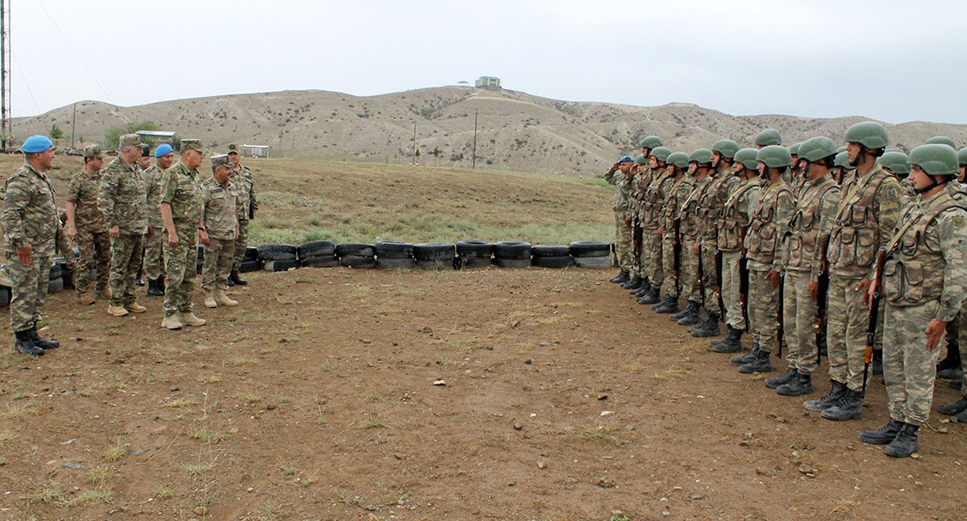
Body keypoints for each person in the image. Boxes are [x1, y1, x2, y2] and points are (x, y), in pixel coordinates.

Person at [858, 144, 967, 457]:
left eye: (918, 170)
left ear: (937, 174)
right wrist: (877, 279)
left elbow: (959, 272)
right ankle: (896, 419)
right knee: (894, 367)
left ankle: (911, 430)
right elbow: (893, 250)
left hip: (923, 308)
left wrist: (944, 317)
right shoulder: (914, 207)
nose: (912, 175)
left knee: (918, 370)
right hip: (897, 300)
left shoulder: (952, 216)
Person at [806, 122, 902, 421]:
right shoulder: (850, 183)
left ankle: (853, 396)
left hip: (861, 278)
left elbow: (889, 239)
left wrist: (874, 276)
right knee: (836, 333)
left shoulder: (886, 186)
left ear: (867, 149)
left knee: (856, 336)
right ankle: (838, 386)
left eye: (852, 145)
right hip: (841, 271)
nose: (846, 149)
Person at [769, 137, 841, 395]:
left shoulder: (831, 194)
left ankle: (805, 374)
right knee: (790, 323)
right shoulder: (806, 188)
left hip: (808, 270)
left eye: (805, 162)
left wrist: (815, 277)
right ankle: (794, 367)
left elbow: (825, 241)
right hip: (794, 265)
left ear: (820, 161)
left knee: (804, 324)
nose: (800, 166)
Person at [735, 146, 794, 374]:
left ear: (772, 165)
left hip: (769, 262)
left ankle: (764, 353)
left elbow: (783, 234)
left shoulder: (782, 194)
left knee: (766, 309)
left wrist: (778, 266)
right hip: (757, 257)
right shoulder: (768, 190)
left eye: (761, 164)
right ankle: (757, 347)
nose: (757, 167)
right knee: (755, 307)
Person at [1, 135, 60, 356]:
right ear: (37, 154)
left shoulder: (41, 178)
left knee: (37, 292)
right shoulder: (22, 179)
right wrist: (21, 243)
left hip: (42, 247)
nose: (54, 154)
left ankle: (32, 332)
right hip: (26, 249)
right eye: (50, 150)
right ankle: (21, 338)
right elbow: (10, 215)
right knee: (24, 292)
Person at [711, 148, 762, 354]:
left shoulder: (754, 190)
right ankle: (732, 330)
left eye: (739, 163)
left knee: (735, 292)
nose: (734, 166)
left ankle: (736, 333)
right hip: (729, 246)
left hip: (739, 250)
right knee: (728, 290)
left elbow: (753, 224)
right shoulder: (742, 187)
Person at [690, 139, 740, 337]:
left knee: (715, 282)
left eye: (716, 155)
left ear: (726, 158)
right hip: (708, 238)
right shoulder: (717, 180)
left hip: (719, 241)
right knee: (708, 279)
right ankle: (711, 315)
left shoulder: (731, 182)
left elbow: (730, 215)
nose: (712, 158)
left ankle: (714, 318)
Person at [97, 134, 148, 317]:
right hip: (122, 228)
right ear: (128, 150)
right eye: (138, 148)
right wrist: (112, 224)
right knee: (119, 266)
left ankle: (130, 298)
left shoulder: (136, 169)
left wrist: (145, 221)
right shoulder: (114, 170)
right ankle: (115, 302)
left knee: (134, 265)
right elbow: (104, 200)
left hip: (137, 226)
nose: (141, 152)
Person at [159, 139, 206, 330]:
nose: (202, 157)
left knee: (189, 275)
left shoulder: (195, 176)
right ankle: (169, 314)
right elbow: (165, 203)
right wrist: (171, 231)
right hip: (176, 234)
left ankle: (186, 311)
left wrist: (201, 228)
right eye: (199, 153)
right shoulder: (173, 174)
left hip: (191, 234)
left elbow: (197, 204)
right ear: (188, 154)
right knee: (174, 275)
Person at [670, 149, 714, 326]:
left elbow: (706, 216)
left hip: (697, 237)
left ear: (702, 165)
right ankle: (690, 305)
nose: (690, 167)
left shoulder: (708, 185)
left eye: (693, 164)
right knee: (689, 272)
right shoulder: (698, 185)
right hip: (689, 235)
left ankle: (695, 307)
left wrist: (699, 239)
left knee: (696, 274)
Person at [66, 145, 111, 305]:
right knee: (85, 259)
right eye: (99, 158)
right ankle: (82, 291)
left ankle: (102, 288)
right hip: (85, 227)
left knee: (104, 258)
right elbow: (70, 203)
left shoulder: (104, 178)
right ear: (89, 160)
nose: (102, 161)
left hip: (103, 225)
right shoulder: (78, 179)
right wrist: (71, 226)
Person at [652, 152, 694, 314]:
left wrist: (680, 233)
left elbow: (683, 214)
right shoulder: (675, 184)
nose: (668, 168)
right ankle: (670, 296)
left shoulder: (684, 186)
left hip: (676, 234)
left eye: (671, 165)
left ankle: (673, 298)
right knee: (668, 265)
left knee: (676, 266)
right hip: (670, 232)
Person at [200, 155, 240, 308]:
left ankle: (221, 291)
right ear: (217, 170)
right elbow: (200, 212)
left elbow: (234, 209)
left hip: (229, 232)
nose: (230, 172)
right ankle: (208, 292)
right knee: (210, 264)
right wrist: (202, 230)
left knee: (226, 263)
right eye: (227, 169)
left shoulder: (232, 186)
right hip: (214, 233)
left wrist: (236, 227)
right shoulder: (207, 187)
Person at [637, 147, 673, 305]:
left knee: (656, 259)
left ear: (662, 161)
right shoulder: (654, 177)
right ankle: (650, 286)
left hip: (656, 225)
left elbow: (669, 205)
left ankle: (655, 290)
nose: (650, 162)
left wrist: (662, 226)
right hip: (648, 223)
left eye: (653, 159)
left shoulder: (667, 181)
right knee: (649, 257)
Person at [143, 144, 175, 296]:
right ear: (158, 157)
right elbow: (141, 199)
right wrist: (145, 221)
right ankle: (152, 283)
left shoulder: (172, 174)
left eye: (171, 156)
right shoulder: (149, 174)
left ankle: (162, 281)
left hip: (167, 223)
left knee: (165, 254)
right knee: (153, 253)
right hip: (154, 222)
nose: (169, 160)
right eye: (166, 157)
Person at [227, 144, 256, 286]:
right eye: (231, 154)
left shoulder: (246, 172)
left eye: (235, 154)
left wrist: (253, 208)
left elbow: (251, 192)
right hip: (230, 216)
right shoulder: (225, 172)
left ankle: (234, 272)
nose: (233, 156)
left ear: (239, 155)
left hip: (243, 214)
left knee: (241, 245)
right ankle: (225, 274)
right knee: (229, 245)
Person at [604, 155, 636, 284]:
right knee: (619, 242)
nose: (622, 167)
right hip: (618, 213)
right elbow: (608, 178)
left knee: (625, 243)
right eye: (621, 165)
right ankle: (623, 270)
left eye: (624, 165)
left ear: (631, 166)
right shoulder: (618, 177)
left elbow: (634, 199)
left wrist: (629, 215)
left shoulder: (634, 179)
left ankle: (628, 270)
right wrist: (612, 169)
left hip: (626, 214)